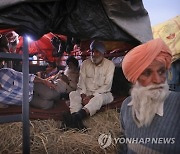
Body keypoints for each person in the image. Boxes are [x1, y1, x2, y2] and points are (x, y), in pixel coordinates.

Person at [119, 38, 180, 153]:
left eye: (161, 72)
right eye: (147, 73)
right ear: (135, 79)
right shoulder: (126, 106)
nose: (157, 80)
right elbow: (124, 146)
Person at [62, 40, 115, 130]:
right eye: (92, 51)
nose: (93, 54)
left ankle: (75, 118)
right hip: (85, 92)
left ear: (102, 53)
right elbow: (81, 82)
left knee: (99, 99)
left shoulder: (110, 65)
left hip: (102, 93)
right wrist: (83, 96)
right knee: (73, 94)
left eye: (97, 51)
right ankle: (77, 120)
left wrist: (90, 97)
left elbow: (107, 86)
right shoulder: (85, 63)